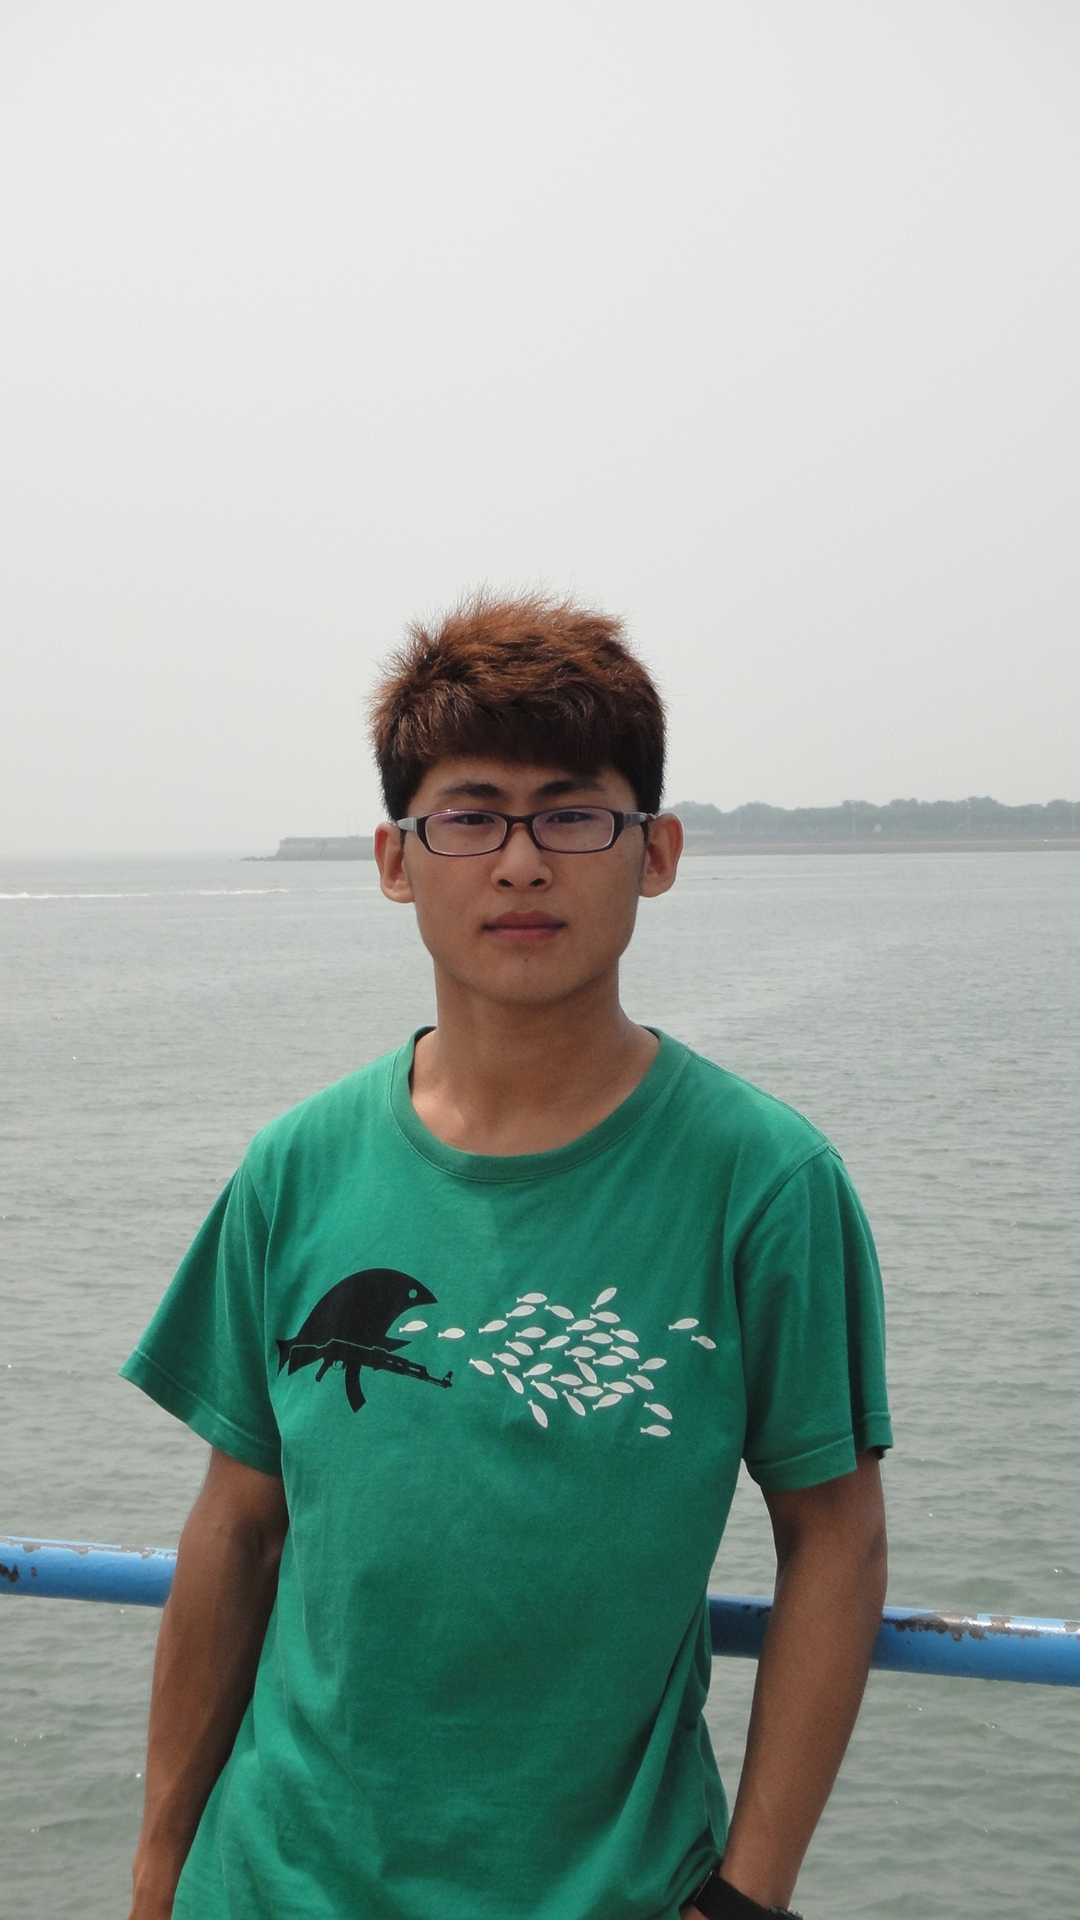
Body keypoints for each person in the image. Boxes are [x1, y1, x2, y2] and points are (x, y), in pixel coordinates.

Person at [121, 593, 891, 1920]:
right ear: (394, 860)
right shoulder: (295, 1167)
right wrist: (157, 1873)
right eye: (470, 817)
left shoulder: (763, 1183)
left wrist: (749, 1896)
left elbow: (837, 1538)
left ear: (655, 852)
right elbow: (238, 1527)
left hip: (611, 1890)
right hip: (266, 1883)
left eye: (573, 815)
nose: (522, 864)